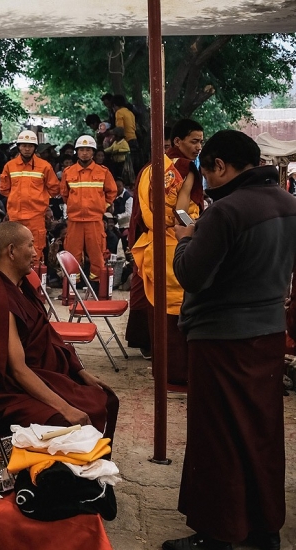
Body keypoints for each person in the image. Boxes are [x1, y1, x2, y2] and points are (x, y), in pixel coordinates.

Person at [164, 130, 296, 550]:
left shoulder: (226, 212)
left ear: (219, 165)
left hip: (222, 339)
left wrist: (185, 243)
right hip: (269, 332)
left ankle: (218, 533)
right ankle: (264, 527)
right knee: (261, 432)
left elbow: (192, 275)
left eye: (207, 173)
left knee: (217, 435)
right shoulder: (289, 204)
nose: (206, 184)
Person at [0, 221, 118, 436]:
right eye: (30, 246)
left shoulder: (19, 286)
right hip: (2, 394)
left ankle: (92, 468)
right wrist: (65, 408)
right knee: (73, 420)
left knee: (106, 398)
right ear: (11, 251)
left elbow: (46, 334)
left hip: (39, 373)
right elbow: (18, 370)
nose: (36, 252)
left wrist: (79, 370)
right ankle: (53, 470)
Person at [131, 119, 204, 387]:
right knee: (176, 310)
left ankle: (163, 374)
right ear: (177, 142)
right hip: (175, 245)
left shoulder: (152, 169)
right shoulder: (184, 169)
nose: (199, 147)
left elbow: (144, 213)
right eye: (194, 141)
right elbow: (182, 214)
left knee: (159, 309)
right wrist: (196, 229)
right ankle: (178, 376)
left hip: (154, 244)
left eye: (200, 141)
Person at [60, 135, 117, 281]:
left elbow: (112, 191)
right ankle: (73, 286)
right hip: (75, 220)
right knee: (72, 253)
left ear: (93, 152)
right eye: (81, 150)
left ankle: (98, 286)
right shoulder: (68, 172)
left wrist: (102, 206)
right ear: (77, 152)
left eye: (88, 150)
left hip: (94, 220)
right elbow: (64, 194)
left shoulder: (103, 172)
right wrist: (75, 206)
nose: (84, 153)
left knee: (97, 253)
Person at [0, 130, 60, 262]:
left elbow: (54, 189)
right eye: (24, 145)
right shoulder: (10, 166)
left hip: (36, 218)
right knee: (13, 253)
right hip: (15, 217)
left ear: (35, 148)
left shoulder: (44, 166)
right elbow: (4, 189)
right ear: (19, 146)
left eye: (30, 146)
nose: (27, 149)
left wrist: (39, 199)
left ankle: (35, 282)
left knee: (35, 253)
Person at [107, 179, 132, 254]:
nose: (117, 189)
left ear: (123, 186)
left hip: (125, 225)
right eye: (115, 186)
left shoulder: (128, 197)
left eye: (119, 186)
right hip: (114, 224)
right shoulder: (112, 196)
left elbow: (129, 213)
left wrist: (117, 216)